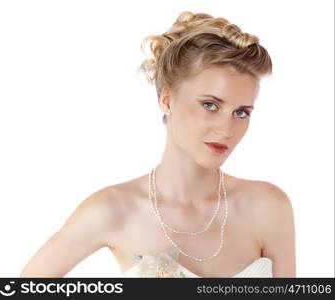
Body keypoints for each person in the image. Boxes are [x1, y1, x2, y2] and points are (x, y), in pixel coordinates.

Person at [20, 11, 296, 278]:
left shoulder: (268, 207)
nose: (226, 129)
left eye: (241, 112)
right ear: (167, 100)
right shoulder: (114, 210)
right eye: (210, 105)